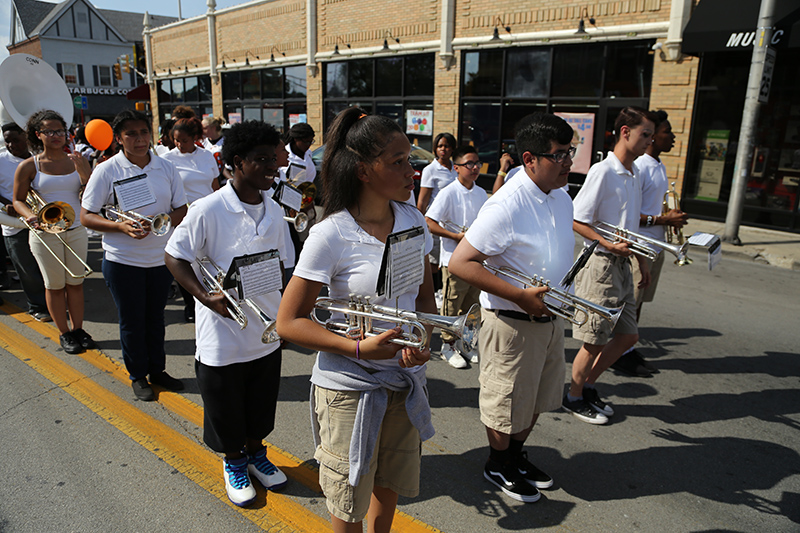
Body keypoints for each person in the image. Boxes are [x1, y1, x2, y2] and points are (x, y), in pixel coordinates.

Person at [276, 107, 435, 533]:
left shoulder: (414, 220)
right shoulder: (331, 234)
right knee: (348, 501)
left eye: (410, 160)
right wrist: (358, 347)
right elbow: (288, 322)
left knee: (389, 486)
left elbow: (424, 299)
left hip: (403, 380)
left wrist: (425, 341)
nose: (411, 171)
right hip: (348, 389)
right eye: (398, 162)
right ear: (364, 170)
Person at [449, 113, 576, 504]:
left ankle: (517, 457)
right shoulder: (507, 203)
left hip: (550, 317)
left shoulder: (561, 195)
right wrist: (520, 296)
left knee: (538, 398)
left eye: (571, 152)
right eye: (559, 155)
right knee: (506, 403)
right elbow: (461, 262)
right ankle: (498, 462)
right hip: (513, 320)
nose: (569, 161)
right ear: (529, 159)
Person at [165, 120, 290, 507]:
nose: (274, 166)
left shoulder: (275, 209)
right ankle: (234, 461)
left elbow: (286, 264)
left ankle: (256, 453)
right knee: (225, 404)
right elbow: (175, 255)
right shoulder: (208, 208)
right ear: (238, 162)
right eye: (263, 159)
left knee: (260, 401)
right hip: (223, 333)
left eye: (275, 158)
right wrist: (204, 296)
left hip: (266, 330)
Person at [80, 109, 188, 402]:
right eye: (131, 134)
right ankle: (138, 375)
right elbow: (87, 216)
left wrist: (163, 219)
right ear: (118, 139)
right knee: (131, 321)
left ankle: (158, 371)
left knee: (155, 319)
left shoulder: (165, 167)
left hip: (159, 259)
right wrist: (120, 226)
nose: (139, 139)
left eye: (143, 132)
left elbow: (182, 208)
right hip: (122, 261)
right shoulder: (106, 170)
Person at [564, 106, 656, 425]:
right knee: (594, 339)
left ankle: (588, 385)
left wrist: (642, 262)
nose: (649, 142)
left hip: (623, 263)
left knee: (628, 336)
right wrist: (606, 243)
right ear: (625, 132)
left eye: (652, 136)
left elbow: (633, 226)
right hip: (599, 263)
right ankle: (573, 396)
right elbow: (576, 218)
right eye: (645, 134)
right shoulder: (603, 171)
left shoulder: (635, 173)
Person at [613, 110, 688, 378]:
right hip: (639, 246)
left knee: (639, 302)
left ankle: (627, 349)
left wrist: (670, 219)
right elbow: (631, 215)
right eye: (668, 133)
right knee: (628, 302)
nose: (673, 138)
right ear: (653, 137)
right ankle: (618, 354)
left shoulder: (659, 165)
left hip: (656, 247)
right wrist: (663, 219)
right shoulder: (640, 166)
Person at [13, 110, 94, 354]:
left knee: (76, 284)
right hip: (45, 232)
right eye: (49, 131)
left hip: (76, 228)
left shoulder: (77, 159)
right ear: (38, 135)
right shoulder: (29, 165)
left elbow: (92, 194)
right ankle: (64, 332)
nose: (56, 135)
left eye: (60, 130)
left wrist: (84, 173)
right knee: (54, 285)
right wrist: (29, 215)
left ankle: (78, 328)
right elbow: (17, 200)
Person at [424, 144, 487, 368]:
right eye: (469, 164)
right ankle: (447, 345)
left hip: (477, 260)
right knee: (451, 304)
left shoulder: (480, 193)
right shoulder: (449, 192)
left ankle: (465, 343)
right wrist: (454, 235)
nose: (475, 167)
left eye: (477, 163)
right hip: (453, 260)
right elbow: (429, 222)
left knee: (472, 305)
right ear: (457, 167)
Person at [161, 117, 221, 322]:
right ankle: (190, 303)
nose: (179, 144)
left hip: (211, 214)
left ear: (194, 138)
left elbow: (215, 185)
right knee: (186, 260)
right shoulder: (168, 159)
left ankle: (213, 295)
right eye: (176, 140)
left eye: (184, 140)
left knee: (208, 258)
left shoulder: (207, 156)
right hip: (184, 216)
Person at [0, 123, 48, 320]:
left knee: (46, 265)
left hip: (42, 220)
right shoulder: (1, 159)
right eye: (7, 141)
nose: (11, 145)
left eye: (16, 140)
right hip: (14, 223)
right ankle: (37, 306)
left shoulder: (41, 156)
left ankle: (52, 302)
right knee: (26, 267)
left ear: (26, 137)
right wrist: (7, 204)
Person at [416, 132, 457, 214]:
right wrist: (419, 221)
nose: (443, 149)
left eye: (446, 146)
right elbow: (423, 200)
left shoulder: (457, 168)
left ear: (452, 148)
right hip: (436, 215)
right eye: (439, 146)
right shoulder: (430, 170)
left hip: (454, 214)